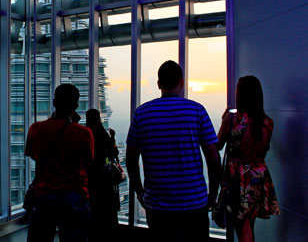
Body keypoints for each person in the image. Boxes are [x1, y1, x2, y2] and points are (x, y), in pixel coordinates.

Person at [126, 60, 221, 242]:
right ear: (182, 82)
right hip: (194, 203)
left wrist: (140, 191)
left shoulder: (142, 113)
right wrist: (213, 195)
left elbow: (131, 160)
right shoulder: (197, 111)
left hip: (157, 205)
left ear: (159, 84)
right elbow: (214, 160)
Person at [25, 84, 94, 242]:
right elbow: (87, 162)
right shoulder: (84, 133)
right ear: (76, 106)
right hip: (75, 195)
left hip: (44, 196)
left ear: (54, 102)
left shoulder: (36, 129)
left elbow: (34, 156)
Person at [216, 76, 280, 242]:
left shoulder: (233, 119)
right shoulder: (267, 123)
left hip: (237, 178)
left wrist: (224, 120)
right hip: (258, 176)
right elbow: (264, 150)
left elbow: (218, 145)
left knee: (242, 226)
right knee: (247, 223)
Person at [86, 109, 120, 242]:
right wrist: (113, 138)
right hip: (104, 179)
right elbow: (113, 154)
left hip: (89, 178)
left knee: (92, 209)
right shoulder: (103, 134)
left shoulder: (85, 134)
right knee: (107, 210)